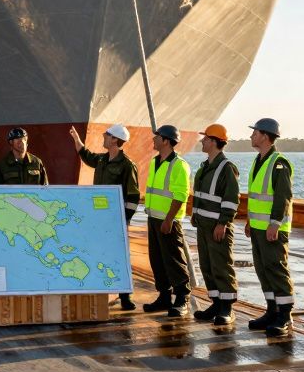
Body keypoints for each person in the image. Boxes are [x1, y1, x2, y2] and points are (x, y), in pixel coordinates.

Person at [69, 123, 140, 310]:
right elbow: (85, 155)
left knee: (120, 257)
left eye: (107, 135)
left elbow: (133, 196)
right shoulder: (102, 160)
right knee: (98, 253)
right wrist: (77, 140)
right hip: (98, 219)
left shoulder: (127, 165)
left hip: (116, 220)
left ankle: (125, 297)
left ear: (115, 139)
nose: (103, 136)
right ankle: (98, 291)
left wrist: (125, 220)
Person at [245, 117, 295, 337]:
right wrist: (249, 221)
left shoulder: (279, 162)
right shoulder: (258, 160)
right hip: (257, 228)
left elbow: (283, 197)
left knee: (276, 268)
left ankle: (284, 315)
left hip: (272, 229)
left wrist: (274, 224)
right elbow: (257, 197)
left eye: (255, 133)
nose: (251, 136)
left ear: (265, 136)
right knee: (263, 269)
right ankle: (271, 311)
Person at [190, 123, 240, 326]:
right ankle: (216, 303)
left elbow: (230, 199)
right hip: (203, 226)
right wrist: (194, 215)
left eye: (205, 139)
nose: (202, 141)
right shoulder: (205, 167)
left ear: (213, 142)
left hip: (217, 226)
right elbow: (200, 196)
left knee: (221, 265)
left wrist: (224, 223)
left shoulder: (226, 168)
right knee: (207, 265)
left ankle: (227, 308)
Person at [142, 124, 192, 316]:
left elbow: (180, 195)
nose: (154, 140)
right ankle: (164, 297)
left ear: (166, 141)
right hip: (153, 218)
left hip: (167, 221)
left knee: (173, 260)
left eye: (157, 137)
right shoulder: (155, 161)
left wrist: (169, 219)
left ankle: (182, 298)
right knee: (157, 260)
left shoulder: (179, 164)